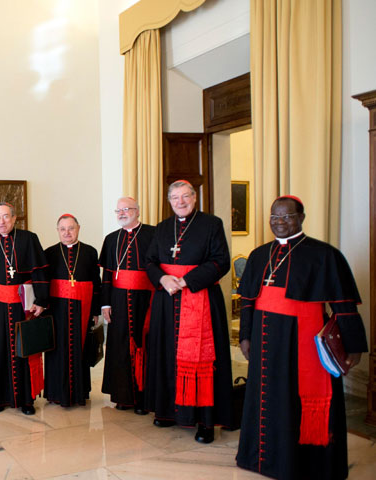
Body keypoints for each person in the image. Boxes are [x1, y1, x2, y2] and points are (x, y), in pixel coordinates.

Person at [235, 196, 368, 480]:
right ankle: (261, 459)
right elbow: (248, 301)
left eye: (286, 217)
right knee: (265, 398)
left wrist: (354, 345)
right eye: (274, 217)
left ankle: (306, 463)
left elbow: (343, 304)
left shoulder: (324, 255)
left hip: (303, 343)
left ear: (301, 218)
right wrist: (245, 336)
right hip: (265, 341)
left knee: (297, 400)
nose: (279, 222)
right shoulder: (259, 255)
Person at [144, 180, 232, 443]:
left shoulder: (211, 224)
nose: (180, 202)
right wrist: (162, 279)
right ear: (169, 201)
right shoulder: (161, 228)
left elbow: (220, 261)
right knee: (166, 354)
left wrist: (185, 281)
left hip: (200, 298)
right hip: (167, 301)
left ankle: (204, 421)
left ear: (195, 198)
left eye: (185, 196)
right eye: (174, 198)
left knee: (200, 360)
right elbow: (150, 261)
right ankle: (168, 411)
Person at [0, 202, 48, 415]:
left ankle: (26, 400)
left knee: (23, 350)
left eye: (6, 217)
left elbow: (39, 272)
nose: (2, 221)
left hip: (23, 305)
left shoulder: (28, 239)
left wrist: (41, 301)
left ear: (15, 218)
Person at [99, 197, 155, 413]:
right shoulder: (111, 239)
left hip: (145, 300)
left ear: (137, 212)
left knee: (144, 345)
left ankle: (144, 398)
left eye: (127, 209)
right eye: (119, 210)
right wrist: (105, 304)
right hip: (118, 302)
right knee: (120, 347)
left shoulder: (152, 234)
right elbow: (107, 275)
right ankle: (123, 397)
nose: (122, 213)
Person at [43, 214, 100, 407]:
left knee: (80, 348)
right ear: (58, 231)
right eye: (63, 229)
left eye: (71, 228)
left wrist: (95, 311)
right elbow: (43, 283)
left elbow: (96, 283)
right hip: (57, 310)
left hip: (81, 310)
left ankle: (79, 392)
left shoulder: (90, 252)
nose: (67, 232)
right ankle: (55, 393)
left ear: (78, 229)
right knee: (56, 349)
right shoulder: (49, 253)